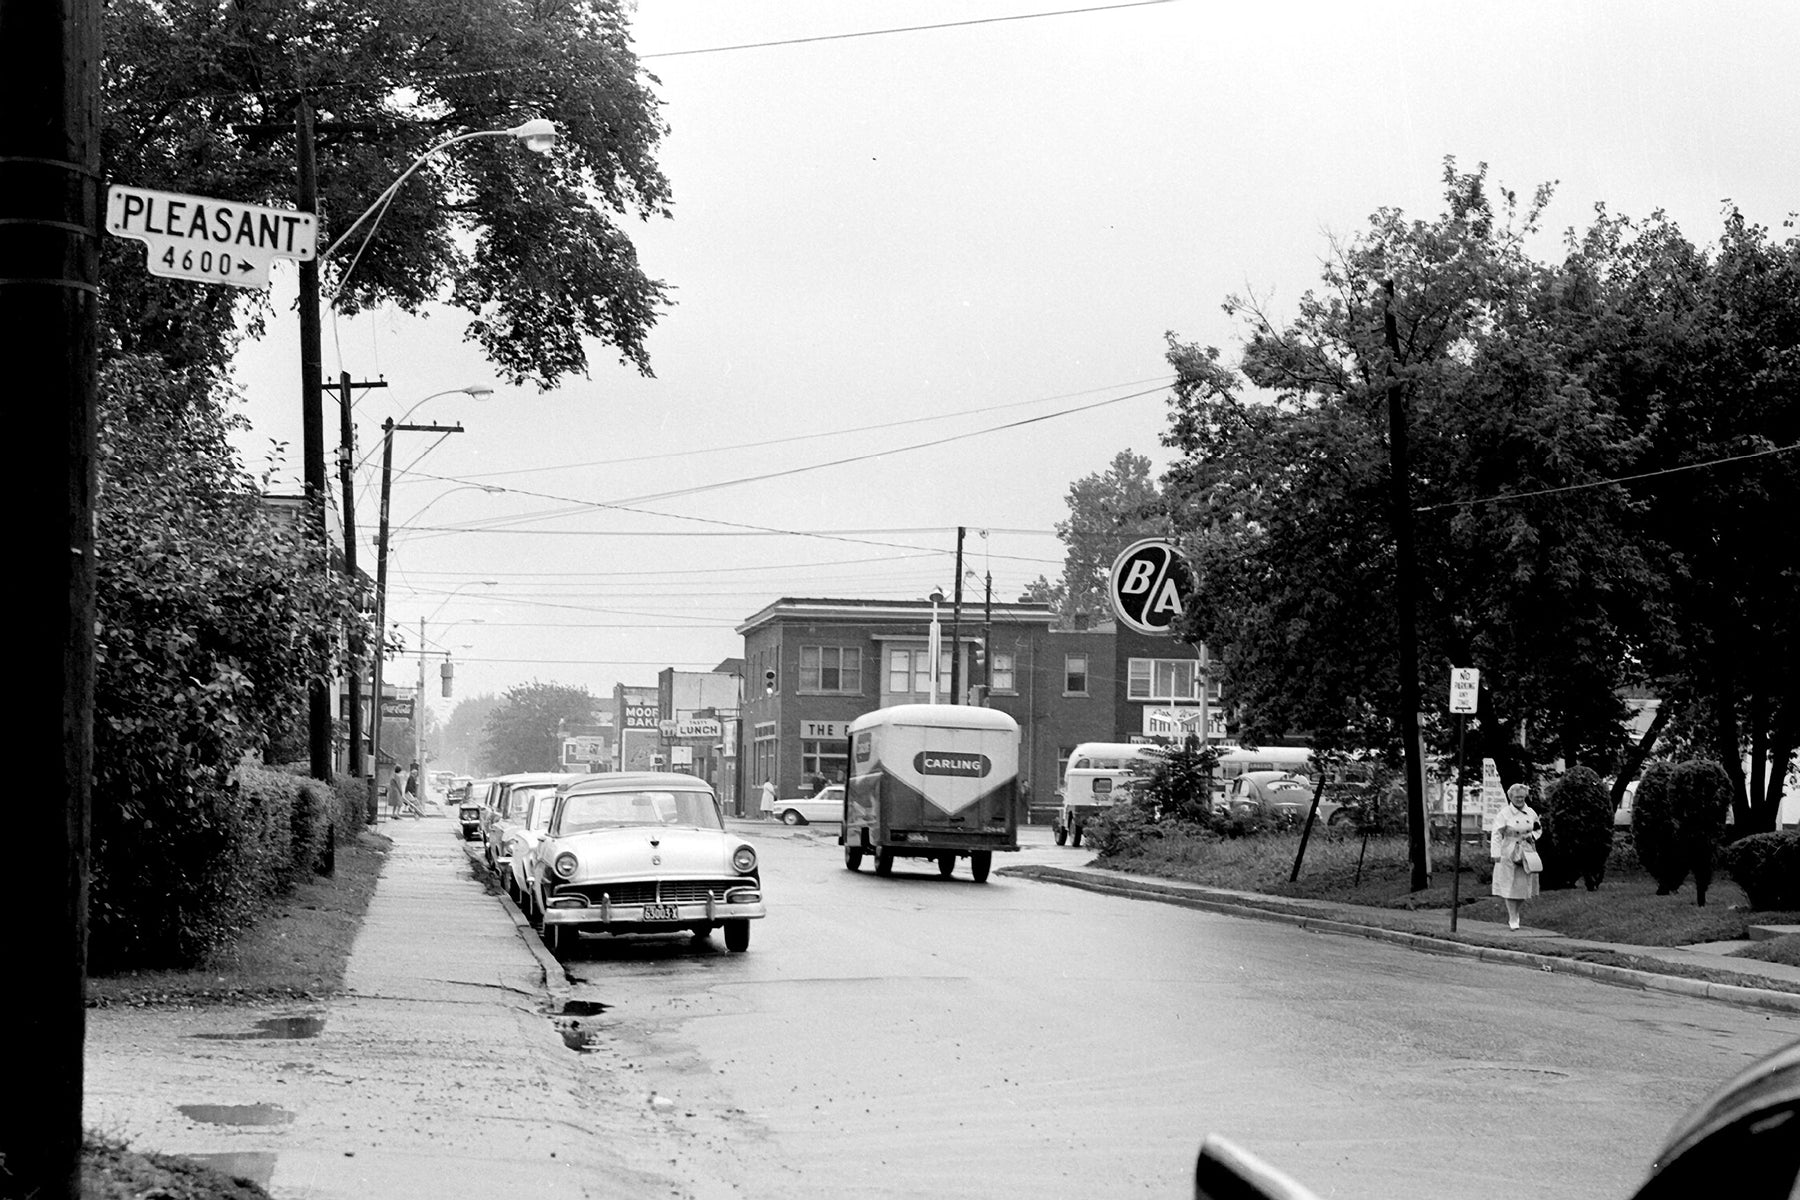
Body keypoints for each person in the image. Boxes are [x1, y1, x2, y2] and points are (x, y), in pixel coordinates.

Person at [1490, 782, 1543, 930]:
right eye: (1516, 797)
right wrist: (1495, 853)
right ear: (1510, 797)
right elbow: (1496, 834)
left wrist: (1532, 836)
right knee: (1509, 884)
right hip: (1509, 850)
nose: (1519, 800)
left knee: (1524, 885)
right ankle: (1512, 917)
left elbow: (1538, 828)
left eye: (1522, 797)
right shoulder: (1504, 814)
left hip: (1527, 850)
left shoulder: (1531, 812)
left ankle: (1517, 912)